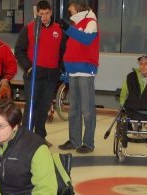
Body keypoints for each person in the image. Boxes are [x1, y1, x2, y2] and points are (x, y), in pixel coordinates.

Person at [14, 0, 67, 147]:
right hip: (34, 75)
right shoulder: (29, 29)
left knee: (44, 108)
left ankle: (40, 137)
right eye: (41, 14)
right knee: (31, 107)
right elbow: (19, 50)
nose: (44, 17)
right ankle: (25, 138)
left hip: (51, 76)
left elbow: (64, 51)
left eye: (47, 13)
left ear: (51, 13)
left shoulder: (59, 29)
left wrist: (60, 68)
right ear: (37, 13)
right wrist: (28, 66)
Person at [57, 0, 100, 154]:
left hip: (85, 70)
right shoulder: (76, 24)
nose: (68, 8)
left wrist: (68, 29)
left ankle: (88, 143)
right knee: (73, 109)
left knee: (87, 110)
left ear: (77, 6)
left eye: (70, 5)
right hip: (73, 70)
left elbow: (87, 40)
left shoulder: (91, 21)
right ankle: (74, 140)